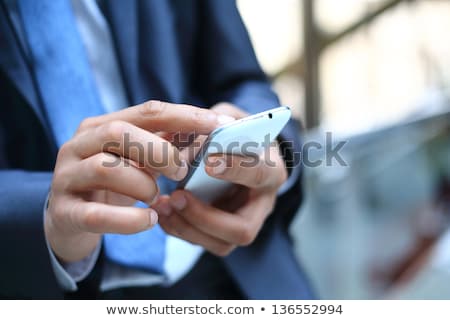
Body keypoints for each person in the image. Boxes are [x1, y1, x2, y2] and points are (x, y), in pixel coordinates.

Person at [0, 0, 314, 299]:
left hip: (238, 270)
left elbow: (244, 80)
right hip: (47, 285)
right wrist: (43, 216)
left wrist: (270, 147)